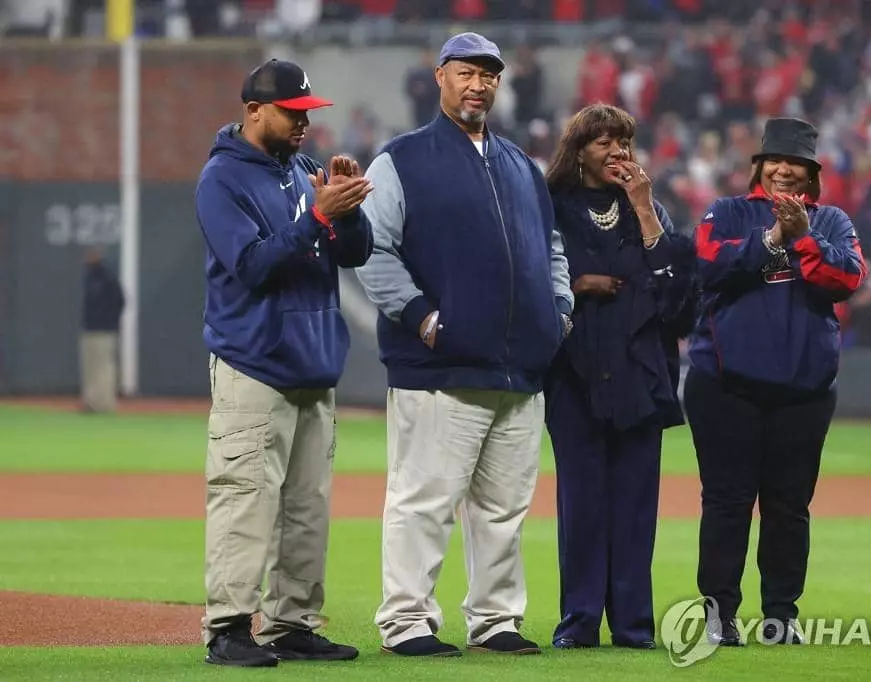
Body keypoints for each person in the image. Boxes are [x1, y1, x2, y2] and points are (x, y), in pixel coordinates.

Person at [354, 32, 574, 657]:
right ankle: (406, 622)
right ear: (440, 77)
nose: (478, 84)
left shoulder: (522, 168)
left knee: (502, 510)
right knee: (423, 501)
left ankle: (496, 620)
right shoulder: (402, 159)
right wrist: (423, 318)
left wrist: (558, 312)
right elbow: (372, 248)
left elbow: (552, 250)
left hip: (518, 368)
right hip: (439, 366)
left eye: (489, 74)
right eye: (466, 73)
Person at [195, 58, 374, 668]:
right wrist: (318, 214)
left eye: (308, 113)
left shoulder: (301, 170)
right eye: (292, 113)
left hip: (313, 362)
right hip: (254, 363)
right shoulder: (222, 179)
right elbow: (253, 265)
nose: (304, 123)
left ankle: (291, 622)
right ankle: (227, 628)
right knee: (245, 499)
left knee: (306, 508)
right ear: (254, 112)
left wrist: (345, 211)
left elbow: (352, 254)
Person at [684, 118, 867, 646]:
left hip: (804, 390)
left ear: (811, 175)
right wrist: (771, 238)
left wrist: (804, 239)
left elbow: (847, 279)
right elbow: (707, 266)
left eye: (798, 164)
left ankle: (780, 617)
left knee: (789, 507)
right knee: (726, 501)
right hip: (726, 384)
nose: (785, 170)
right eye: (776, 160)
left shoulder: (831, 221)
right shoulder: (728, 211)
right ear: (759, 167)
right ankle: (720, 616)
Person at [541, 104, 698, 650]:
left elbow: (681, 304)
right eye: (603, 141)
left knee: (635, 509)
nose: (616, 151)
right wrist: (577, 285)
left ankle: (633, 625)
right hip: (575, 374)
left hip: (640, 376)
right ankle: (579, 621)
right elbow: (536, 280)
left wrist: (644, 208)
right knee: (581, 506)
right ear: (578, 150)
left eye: (624, 141)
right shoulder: (551, 207)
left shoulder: (650, 211)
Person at [79, 247, 124, 413]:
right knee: (90, 367)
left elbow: (120, 300)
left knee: (104, 367)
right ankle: (91, 403)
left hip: (105, 329)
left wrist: (110, 320)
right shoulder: (89, 276)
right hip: (90, 328)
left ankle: (105, 404)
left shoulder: (108, 277)